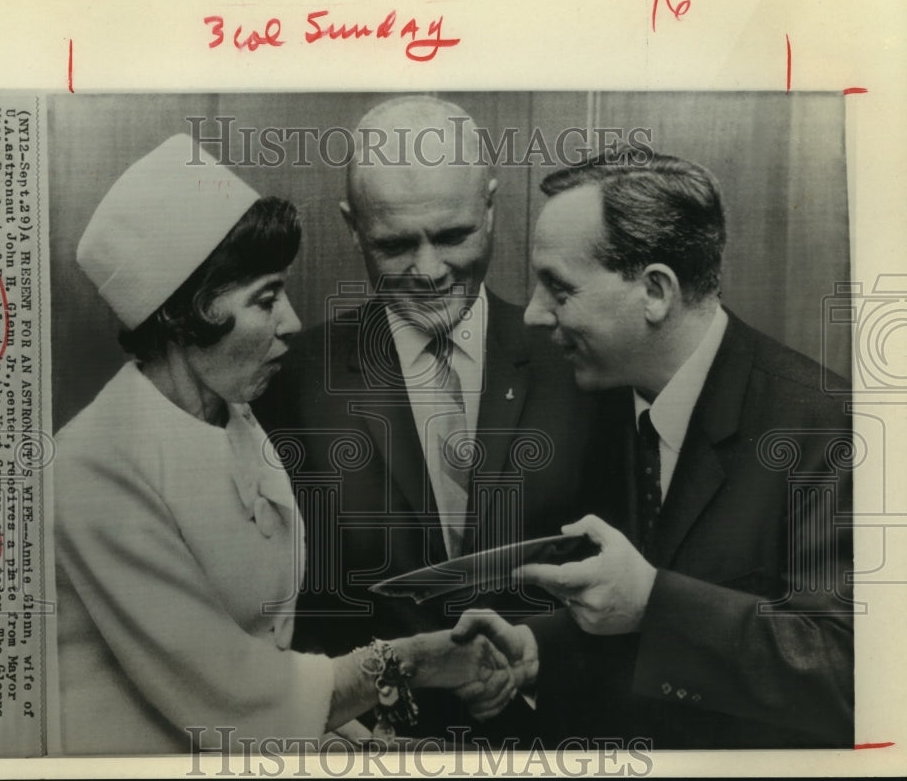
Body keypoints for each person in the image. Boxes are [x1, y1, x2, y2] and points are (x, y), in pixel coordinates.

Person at [53, 134, 515, 756]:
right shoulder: (93, 467)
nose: (292, 322)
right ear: (181, 316)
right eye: (266, 299)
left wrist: (356, 740)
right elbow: (229, 690)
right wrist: (408, 661)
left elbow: (271, 651)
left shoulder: (240, 420)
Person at [452, 150, 855, 749]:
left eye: (559, 288)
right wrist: (541, 651)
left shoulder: (828, 429)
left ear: (656, 292)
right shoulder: (596, 401)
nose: (533, 315)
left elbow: (850, 678)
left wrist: (654, 605)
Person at [255, 96, 592, 740]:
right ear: (353, 227)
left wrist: (531, 658)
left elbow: (627, 568)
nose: (430, 270)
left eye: (454, 235)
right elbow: (269, 606)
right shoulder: (287, 381)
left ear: (492, 206)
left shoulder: (578, 366)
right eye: (395, 244)